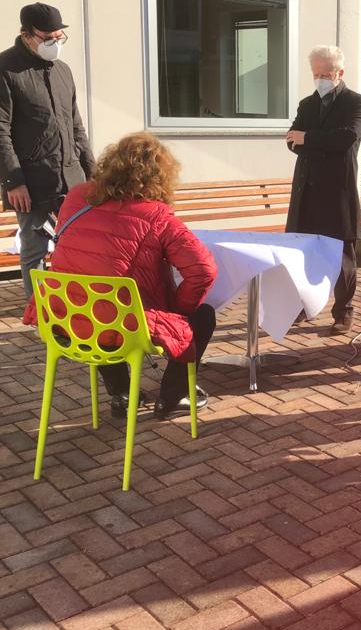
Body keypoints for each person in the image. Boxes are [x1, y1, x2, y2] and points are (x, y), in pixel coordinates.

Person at [25, 133, 217, 419]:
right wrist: (180, 309)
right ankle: (174, 397)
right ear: (161, 176)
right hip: (120, 328)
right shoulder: (157, 216)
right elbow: (203, 271)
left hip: (67, 319)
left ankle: (123, 394)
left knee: (99, 300)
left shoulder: (76, 198)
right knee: (202, 315)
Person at [0, 3, 95, 297]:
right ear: (27, 35)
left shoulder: (62, 71)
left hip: (72, 178)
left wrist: (93, 173)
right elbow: (1, 130)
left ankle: (76, 307)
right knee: (34, 251)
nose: (55, 43)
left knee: (81, 246)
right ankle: (40, 314)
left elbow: (76, 126)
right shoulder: (6, 69)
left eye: (59, 37)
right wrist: (13, 181)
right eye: (48, 38)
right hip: (30, 181)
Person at [285, 45, 361, 333]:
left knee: (342, 257)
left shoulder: (356, 102)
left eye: (326, 74)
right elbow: (291, 141)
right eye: (316, 74)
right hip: (307, 191)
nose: (320, 79)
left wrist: (309, 139)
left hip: (337, 193)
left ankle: (344, 311)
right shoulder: (307, 104)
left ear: (339, 73)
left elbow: (347, 137)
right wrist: (318, 142)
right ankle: (302, 306)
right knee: (303, 254)